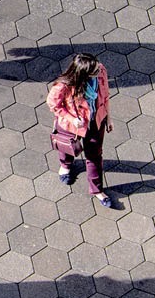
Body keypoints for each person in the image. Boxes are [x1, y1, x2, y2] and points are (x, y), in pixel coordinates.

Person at [46, 53, 115, 208]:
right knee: (68, 147)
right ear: (83, 74)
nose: (99, 71)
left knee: (95, 155)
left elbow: (105, 97)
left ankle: (97, 189)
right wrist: (71, 119)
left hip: (95, 121)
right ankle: (65, 166)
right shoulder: (64, 85)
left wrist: (108, 118)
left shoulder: (101, 70)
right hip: (72, 125)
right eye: (94, 71)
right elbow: (53, 104)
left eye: (98, 67)